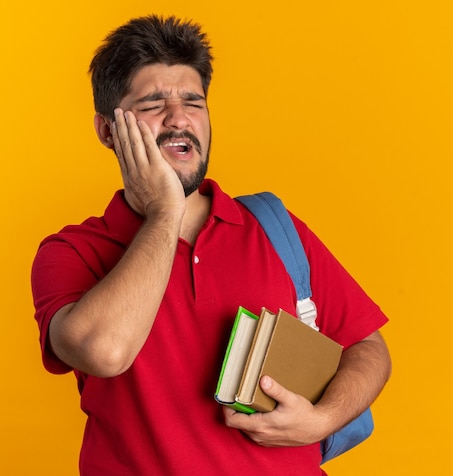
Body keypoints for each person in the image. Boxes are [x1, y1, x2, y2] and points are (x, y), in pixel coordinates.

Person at [31, 14, 391, 476]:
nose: (179, 118)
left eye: (193, 102)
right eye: (153, 103)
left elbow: (368, 345)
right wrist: (164, 213)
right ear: (107, 131)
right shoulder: (72, 251)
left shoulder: (273, 227)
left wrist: (320, 420)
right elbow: (105, 353)